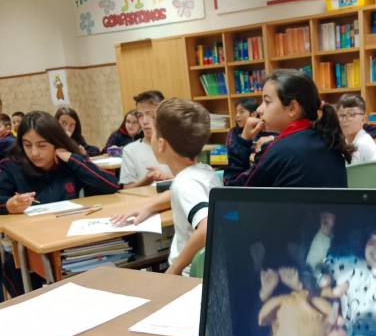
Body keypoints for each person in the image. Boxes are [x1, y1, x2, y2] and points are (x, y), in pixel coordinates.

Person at [0, 111, 120, 298]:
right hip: (31, 245)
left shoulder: (69, 163)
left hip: (73, 240)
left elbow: (111, 185)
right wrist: (9, 205)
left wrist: (72, 158)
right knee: (12, 267)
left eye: (42, 145)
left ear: (56, 142)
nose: (34, 153)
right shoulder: (11, 165)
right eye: (27, 145)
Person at [111, 98, 221, 275]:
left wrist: (173, 270)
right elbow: (176, 194)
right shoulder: (202, 171)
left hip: (188, 277)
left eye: (153, 134)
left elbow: (207, 227)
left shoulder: (186, 183)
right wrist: (148, 207)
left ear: (161, 144)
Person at [224, 69, 353, 187]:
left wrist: (243, 141)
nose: (259, 109)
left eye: (267, 102)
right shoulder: (328, 140)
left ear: (292, 108)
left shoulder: (278, 150)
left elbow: (233, 191)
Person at [119, 90, 172, 188]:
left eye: (150, 114)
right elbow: (127, 188)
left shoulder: (176, 144)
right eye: (140, 116)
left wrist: (167, 177)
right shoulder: (130, 150)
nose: (144, 121)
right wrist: (147, 179)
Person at [335, 93, 376, 165]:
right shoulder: (345, 142)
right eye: (341, 115)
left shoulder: (365, 144)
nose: (344, 119)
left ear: (363, 119)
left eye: (351, 114)